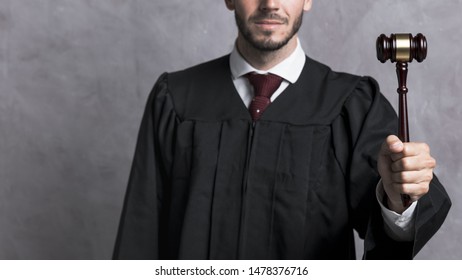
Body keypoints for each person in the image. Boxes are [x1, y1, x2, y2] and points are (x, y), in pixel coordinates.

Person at [113, 0, 451, 259]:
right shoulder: (175, 100)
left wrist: (396, 200)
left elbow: (394, 234)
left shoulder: (351, 106)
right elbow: (138, 238)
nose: (270, 3)